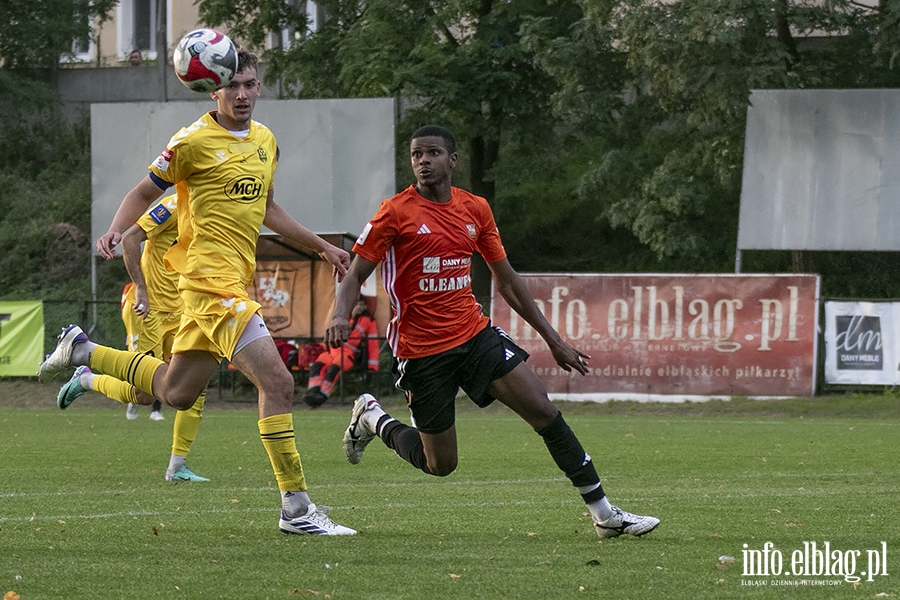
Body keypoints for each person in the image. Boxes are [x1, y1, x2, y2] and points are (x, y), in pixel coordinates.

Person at [39, 50, 356, 536]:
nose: (244, 94)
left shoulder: (266, 141)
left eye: (250, 84)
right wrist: (115, 229)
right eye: (233, 86)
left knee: (175, 392)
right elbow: (142, 195)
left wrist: (322, 249)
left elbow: (269, 210)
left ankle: (83, 350)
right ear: (212, 87)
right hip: (210, 285)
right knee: (279, 384)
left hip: (229, 285)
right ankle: (297, 510)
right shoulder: (191, 142)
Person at [326, 125, 659, 539]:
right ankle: (373, 417)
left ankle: (606, 515)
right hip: (422, 352)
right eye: (416, 155)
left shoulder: (475, 208)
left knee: (544, 411)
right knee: (441, 464)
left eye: (432, 153)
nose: (423, 161)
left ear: (453, 160)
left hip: (474, 335)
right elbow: (355, 272)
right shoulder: (394, 212)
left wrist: (554, 341)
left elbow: (507, 280)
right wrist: (340, 314)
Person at [58, 195, 210, 482]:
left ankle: (177, 466)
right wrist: (141, 287)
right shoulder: (173, 205)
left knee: (196, 386)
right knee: (144, 394)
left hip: (186, 311)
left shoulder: (213, 209)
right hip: (148, 310)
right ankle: (85, 379)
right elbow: (130, 239)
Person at [304, 298, 379, 407]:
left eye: (363, 305)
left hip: (348, 355)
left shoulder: (368, 321)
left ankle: (322, 395)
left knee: (333, 370)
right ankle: (312, 392)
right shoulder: (341, 317)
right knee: (317, 366)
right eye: (358, 304)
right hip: (332, 351)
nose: (361, 307)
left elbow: (373, 345)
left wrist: (373, 366)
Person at [121, 282, 165, 422]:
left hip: (163, 328)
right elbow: (125, 311)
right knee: (139, 369)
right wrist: (129, 332)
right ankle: (133, 398)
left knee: (162, 369)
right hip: (142, 331)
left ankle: (156, 410)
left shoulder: (166, 285)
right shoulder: (130, 289)